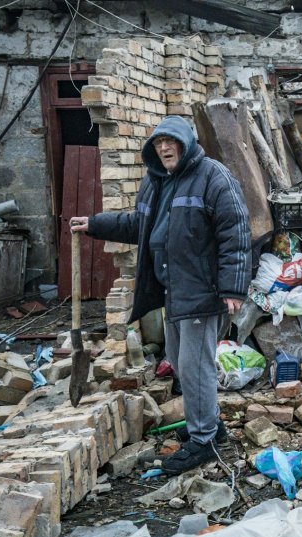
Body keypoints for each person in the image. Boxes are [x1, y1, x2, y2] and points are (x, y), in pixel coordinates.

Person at [71, 115, 251, 474]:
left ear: (186, 144)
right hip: (173, 289)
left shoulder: (214, 177)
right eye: (158, 143)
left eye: (172, 142)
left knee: (193, 366)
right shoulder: (155, 183)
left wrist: (234, 286)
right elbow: (139, 225)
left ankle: (204, 441)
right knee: (181, 361)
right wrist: (95, 224)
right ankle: (208, 425)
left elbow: (237, 232)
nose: (165, 148)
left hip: (202, 289)